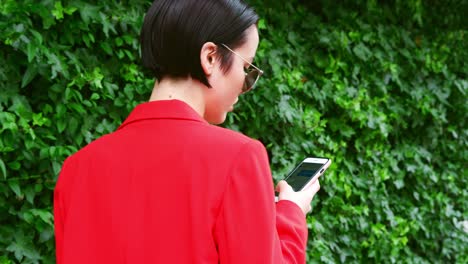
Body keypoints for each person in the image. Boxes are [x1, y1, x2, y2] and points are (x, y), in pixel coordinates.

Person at [53, 0, 321, 263]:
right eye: (247, 68)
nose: (245, 84)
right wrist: (291, 213)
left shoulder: (76, 169)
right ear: (210, 57)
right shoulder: (238, 158)